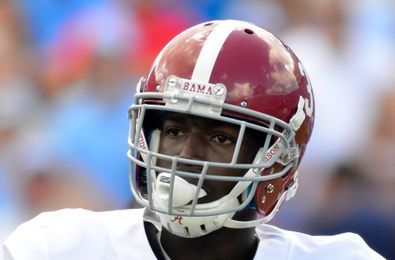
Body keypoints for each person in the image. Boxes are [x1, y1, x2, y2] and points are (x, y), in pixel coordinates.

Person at [2, 20, 383, 260]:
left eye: (219, 137)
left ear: (275, 159)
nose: (185, 155)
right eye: (173, 131)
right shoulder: (58, 247)